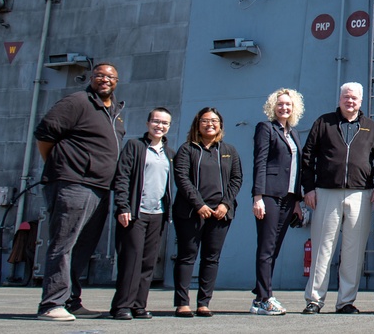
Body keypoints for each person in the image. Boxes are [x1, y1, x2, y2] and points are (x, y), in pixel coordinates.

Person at [33, 62, 125, 321]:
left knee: (83, 247)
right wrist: (60, 166)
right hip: (73, 183)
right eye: (99, 75)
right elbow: (44, 135)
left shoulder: (114, 112)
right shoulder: (76, 102)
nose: (104, 80)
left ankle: (71, 301)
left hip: (100, 188)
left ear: (117, 81)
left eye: (110, 76)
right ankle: (51, 304)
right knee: (63, 244)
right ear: (91, 78)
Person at [300, 82, 374, 314]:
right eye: (346, 97)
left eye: (354, 98)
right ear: (340, 98)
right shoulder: (323, 123)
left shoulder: (371, 127)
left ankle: (346, 301)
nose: (350, 101)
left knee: (353, 250)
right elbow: (308, 156)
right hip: (326, 191)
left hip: (361, 193)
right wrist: (308, 188)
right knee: (322, 249)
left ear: (361, 101)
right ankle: (314, 300)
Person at [172, 107, 242, 317]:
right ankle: (182, 302)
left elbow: (236, 179)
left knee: (211, 258)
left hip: (220, 214)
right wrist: (199, 205)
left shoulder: (229, 150)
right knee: (187, 257)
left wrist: (225, 204)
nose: (209, 124)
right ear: (197, 124)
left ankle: (204, 302)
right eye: (205, 120)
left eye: (214, 121)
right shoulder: (187, 149)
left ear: (220, 125)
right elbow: (182, 178)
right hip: (191, 212)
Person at [110, 107, 175, 320]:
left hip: (158, 213)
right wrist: (123, 206)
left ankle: (139, 305)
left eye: (165, 123)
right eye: (156, 121)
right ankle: (122, 306)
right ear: (148, 123)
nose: (160, 126)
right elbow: (122, 177)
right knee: (131, 260)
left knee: (148, 262)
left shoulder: (169, 154)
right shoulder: (135, 146)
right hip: (135, 213)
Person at [250, 88, 305, 316]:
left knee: (274, 248)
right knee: (266, 247)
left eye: (288, 104)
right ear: (273, 106)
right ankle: (265, 298)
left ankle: (260, 295)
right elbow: (260, 161)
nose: (284, 108)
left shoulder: (294, 133)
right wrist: (258, 196)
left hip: (288, 197)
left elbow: (296, 168)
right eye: (280, 104)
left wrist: (297, 201)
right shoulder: (266, 128)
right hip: (270, 195)